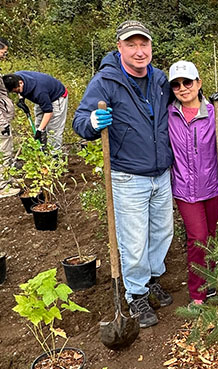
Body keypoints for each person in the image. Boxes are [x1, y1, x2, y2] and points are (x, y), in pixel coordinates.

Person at [72, 20, 174, 328]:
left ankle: (151, 279)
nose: (139, 51)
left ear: (151, 48)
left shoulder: (159, 79)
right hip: (128, 175)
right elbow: (79, 121)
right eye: (132, 45)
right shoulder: (106, 81)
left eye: (144, 45)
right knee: (134, 241)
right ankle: (135, 295)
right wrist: (92, 121)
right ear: (120, 48)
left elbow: (180, 106)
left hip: (161, 173)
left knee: (161, 232)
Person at [167, 60, 218, 306]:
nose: (183, 88)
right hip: (184, 189)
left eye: (187, 82)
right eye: (176, 85)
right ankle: (197, 294)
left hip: (212, 186)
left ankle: (210, 282)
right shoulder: (169, 114)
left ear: (198, 83)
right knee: (197, 238)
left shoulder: (212, 112)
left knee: (209, 236)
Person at [2, 71, 68, 151]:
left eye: (17, 91)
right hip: (43, 98)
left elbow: (48, 112)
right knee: (39, 124)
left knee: (53, 131)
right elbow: (18, 89)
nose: (17, 93)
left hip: (57, 98)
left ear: (21, 82)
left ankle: (55, 157)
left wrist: (40, 130)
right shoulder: (15, 77)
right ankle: (42, 149)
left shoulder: (39, 92)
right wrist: (21, 99)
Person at [0, 37, 19, 198]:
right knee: (5, 150)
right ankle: (3, 186)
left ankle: (7, 179)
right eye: (3, 52)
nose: (4, 55)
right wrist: (3, 122)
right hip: (1, 121)